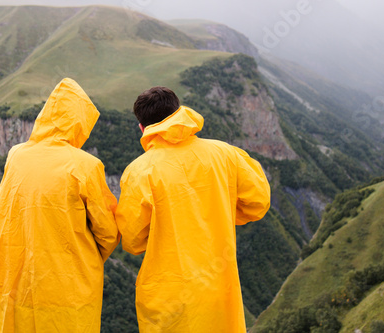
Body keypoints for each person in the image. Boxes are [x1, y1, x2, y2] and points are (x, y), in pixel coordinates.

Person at [116, 87, 271, 333]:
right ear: (180, 113)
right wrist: (219, 211)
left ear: (142, 128)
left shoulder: (139, 171)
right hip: (220, 288)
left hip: (170, 295)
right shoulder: (225, 154)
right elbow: (258, 203)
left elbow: (133, 240)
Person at [0, 78, 120, 332]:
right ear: (80, 123)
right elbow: (108, 232)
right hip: (67, 290)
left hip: (17, 283)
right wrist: (83, 258)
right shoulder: (86, 165)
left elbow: (3, 210)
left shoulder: (16, 155)